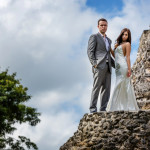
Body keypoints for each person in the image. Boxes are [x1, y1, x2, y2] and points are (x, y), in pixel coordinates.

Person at [106, 28, 139, 112]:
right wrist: (110, 49)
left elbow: (127, 57)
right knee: (119, 84)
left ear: (128, 36)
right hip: (117, 67)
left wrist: (129, 69)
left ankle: (123, 106)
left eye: (126, 35)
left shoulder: (127, 44)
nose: (124, 36)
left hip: (123, 67)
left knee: (123, 84)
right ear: (121, 35)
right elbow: (115, 56)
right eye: (123, 34)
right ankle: (118, 106)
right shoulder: (118, 44)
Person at [87, 18, 115, 113]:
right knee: (96, 87)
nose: (103, 26)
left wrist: (118, 67)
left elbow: (109, 55)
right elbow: (90, 51)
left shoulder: (109, 40)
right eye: (102, 25)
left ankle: (103, 109)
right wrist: (94, 64)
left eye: (105, 25)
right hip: (99, 66)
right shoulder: (94, 37)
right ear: (98, 26)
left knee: (106, 89)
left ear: (107, 26)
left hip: (108, 67)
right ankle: (92, 109)